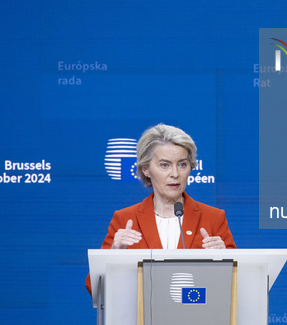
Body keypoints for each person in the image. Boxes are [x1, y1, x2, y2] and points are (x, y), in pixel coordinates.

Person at [85, 123, 235, 294]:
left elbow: (238, 284)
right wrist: (114, 253)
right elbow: (93, 287)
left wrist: (226, 260)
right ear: (146, 169)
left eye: (182, 164)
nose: (175, 174)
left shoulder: (213, 218)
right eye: (165, 165)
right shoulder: (126, 219)